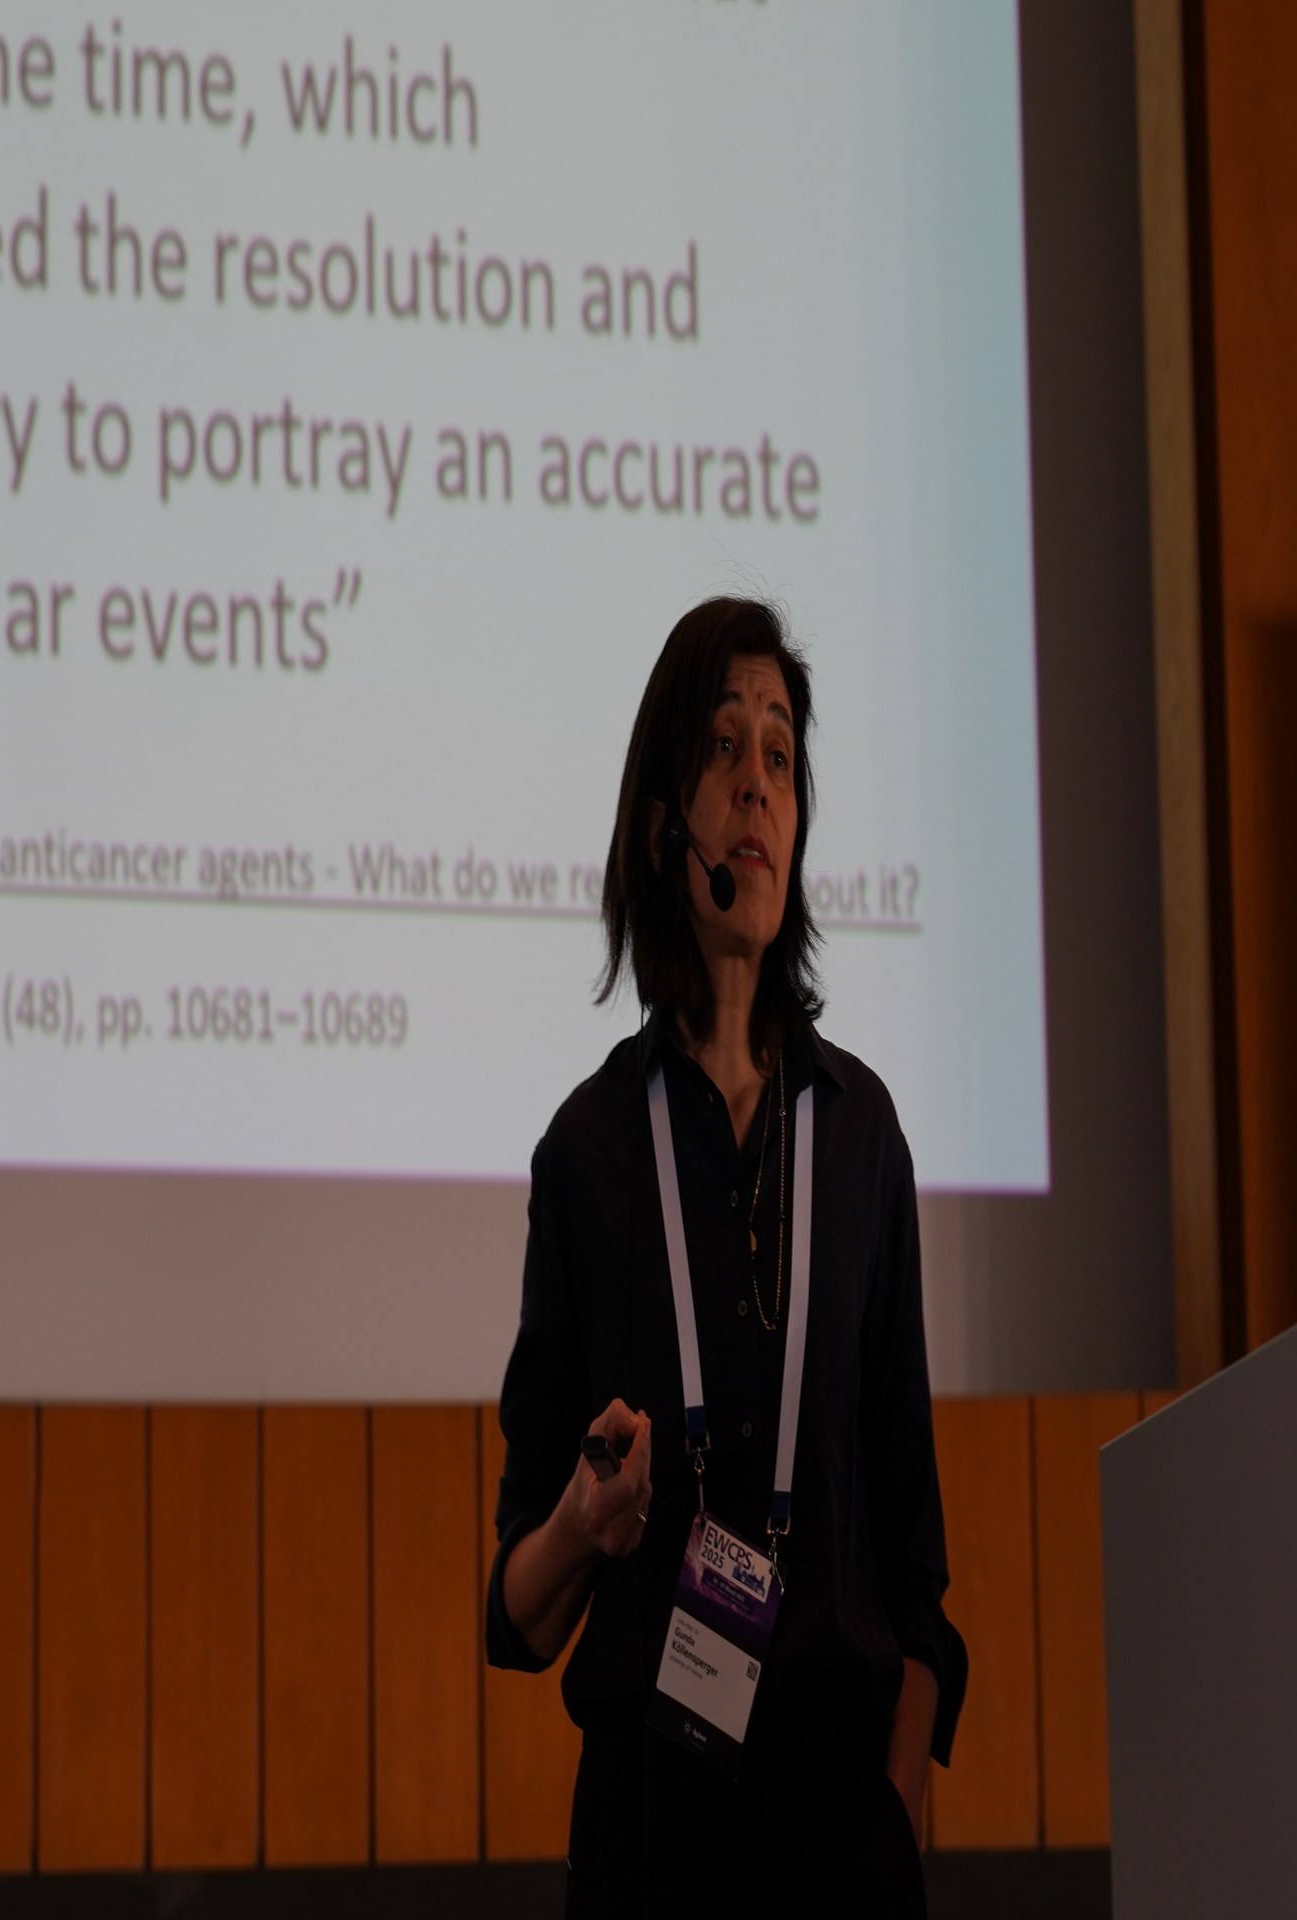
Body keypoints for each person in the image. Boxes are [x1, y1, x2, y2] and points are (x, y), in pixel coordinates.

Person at [486, 596, 965, 1914]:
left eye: (783, 755)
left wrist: (895, 1807)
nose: (759, 782)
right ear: (663, 829)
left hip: (840, 1824)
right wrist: (585, 1523)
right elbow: (518, 1611)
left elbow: (915, 1559)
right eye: (723, 746)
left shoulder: (858, 1136)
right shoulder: (590, 1151)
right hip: (655, 1826)